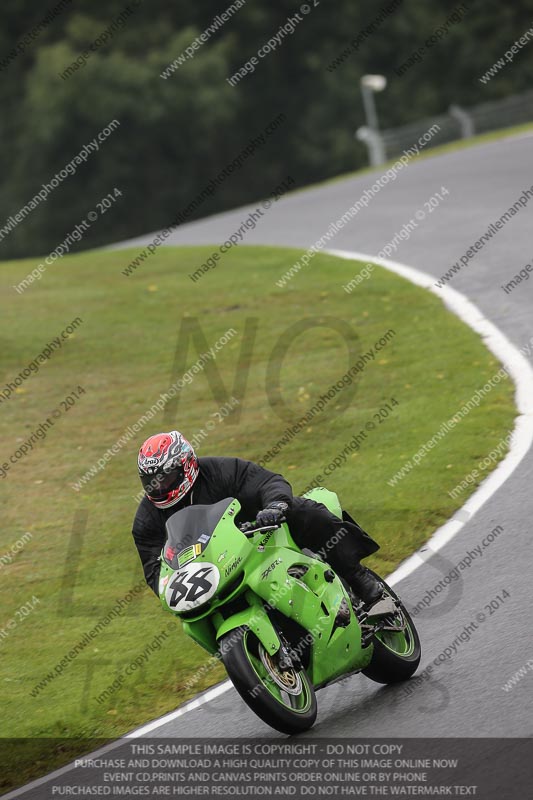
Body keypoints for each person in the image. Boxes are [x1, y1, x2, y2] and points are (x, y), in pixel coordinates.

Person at [132, 430, 383, 605]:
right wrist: (169, 591)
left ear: (185, 465)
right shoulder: (146, 520)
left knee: (302, 510)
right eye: (150, 480)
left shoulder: (220, 470)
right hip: (212, 567)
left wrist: (274, 506)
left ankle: (358, 578)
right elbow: (154, 571)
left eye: (164, 477)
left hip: (260, 532)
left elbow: (267, 481)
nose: (157, 486)